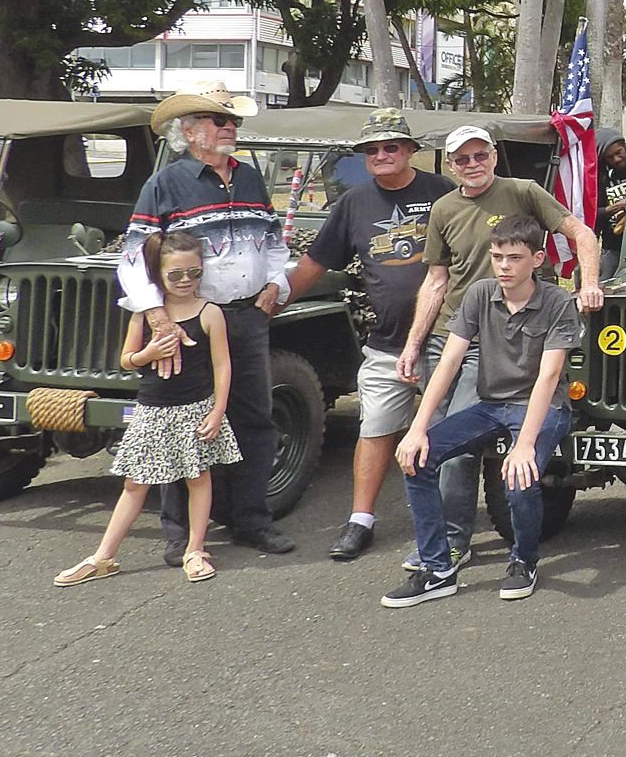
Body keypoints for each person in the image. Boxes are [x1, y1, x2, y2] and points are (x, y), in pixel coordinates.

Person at [396, 124, 600, 574]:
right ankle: (455, 537)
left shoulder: (523, 191)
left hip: (515, 329)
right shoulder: (444, 208)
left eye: (480, 155)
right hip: (457, 332)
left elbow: (581, 233)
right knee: (444, 435)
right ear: (451, 165)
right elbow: (435, 280)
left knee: (463, 438)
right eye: (462, 159)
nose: (473, 165)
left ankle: (457, 540)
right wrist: (413, 344)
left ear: (493, 156)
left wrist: (589, 284)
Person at [118, 81, 293, 563]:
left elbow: (274, 242)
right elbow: (134, 258)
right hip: (188, 323)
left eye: (232, 118)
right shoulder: (165, 184)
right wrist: (157, 316)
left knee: (255, 419)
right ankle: (178, 534)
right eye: (220, 119)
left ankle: (251, 522)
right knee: (183, 425)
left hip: (247, 316)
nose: (230, 126)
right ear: (190, 131)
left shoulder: (251, 178)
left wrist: (277, 283)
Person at [382, 216, 581, 606]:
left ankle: (523, 560)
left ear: (537, 259)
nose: (503, 266)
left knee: (520, 478)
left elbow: (549, 374)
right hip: (491, 405)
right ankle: (439, 569)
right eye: (496, 257)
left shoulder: (556, 301)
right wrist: (418, 427)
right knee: (417, 458)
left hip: (541, 408)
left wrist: (525, 446)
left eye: (514, 258)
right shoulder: (479, 293)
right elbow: (450, 359)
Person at [284, 110, 455, 562]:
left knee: (450, 434)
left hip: (447, 338)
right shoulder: (353, 203)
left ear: (410, 150)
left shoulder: (444, 193)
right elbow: (316, 262)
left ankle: (450, 526)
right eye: (372, 150)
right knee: (375, 429)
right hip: (386, 342)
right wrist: (274, 300)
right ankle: (360, 519)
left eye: (391, 147)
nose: (381, 155)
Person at [56, 233, 240, 586]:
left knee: (199, 478)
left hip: (194, 408)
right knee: (134, 483)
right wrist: (149, 354)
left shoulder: (210, 312)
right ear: (158, 274)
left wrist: (217, 411)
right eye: (176, 275)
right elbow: (127, 360)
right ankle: (103, 556)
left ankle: (195, 549)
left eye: (194, 273)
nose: (186, 281)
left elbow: (222, 366)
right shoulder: (145, 314)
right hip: (152, 409)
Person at [596, 129, 626, 279]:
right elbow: (592, 214)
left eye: (619, 152)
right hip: (612, 248)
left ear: (625, 146)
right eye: (610, 157)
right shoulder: (600, 179)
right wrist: (617, 206)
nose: (617, 159)